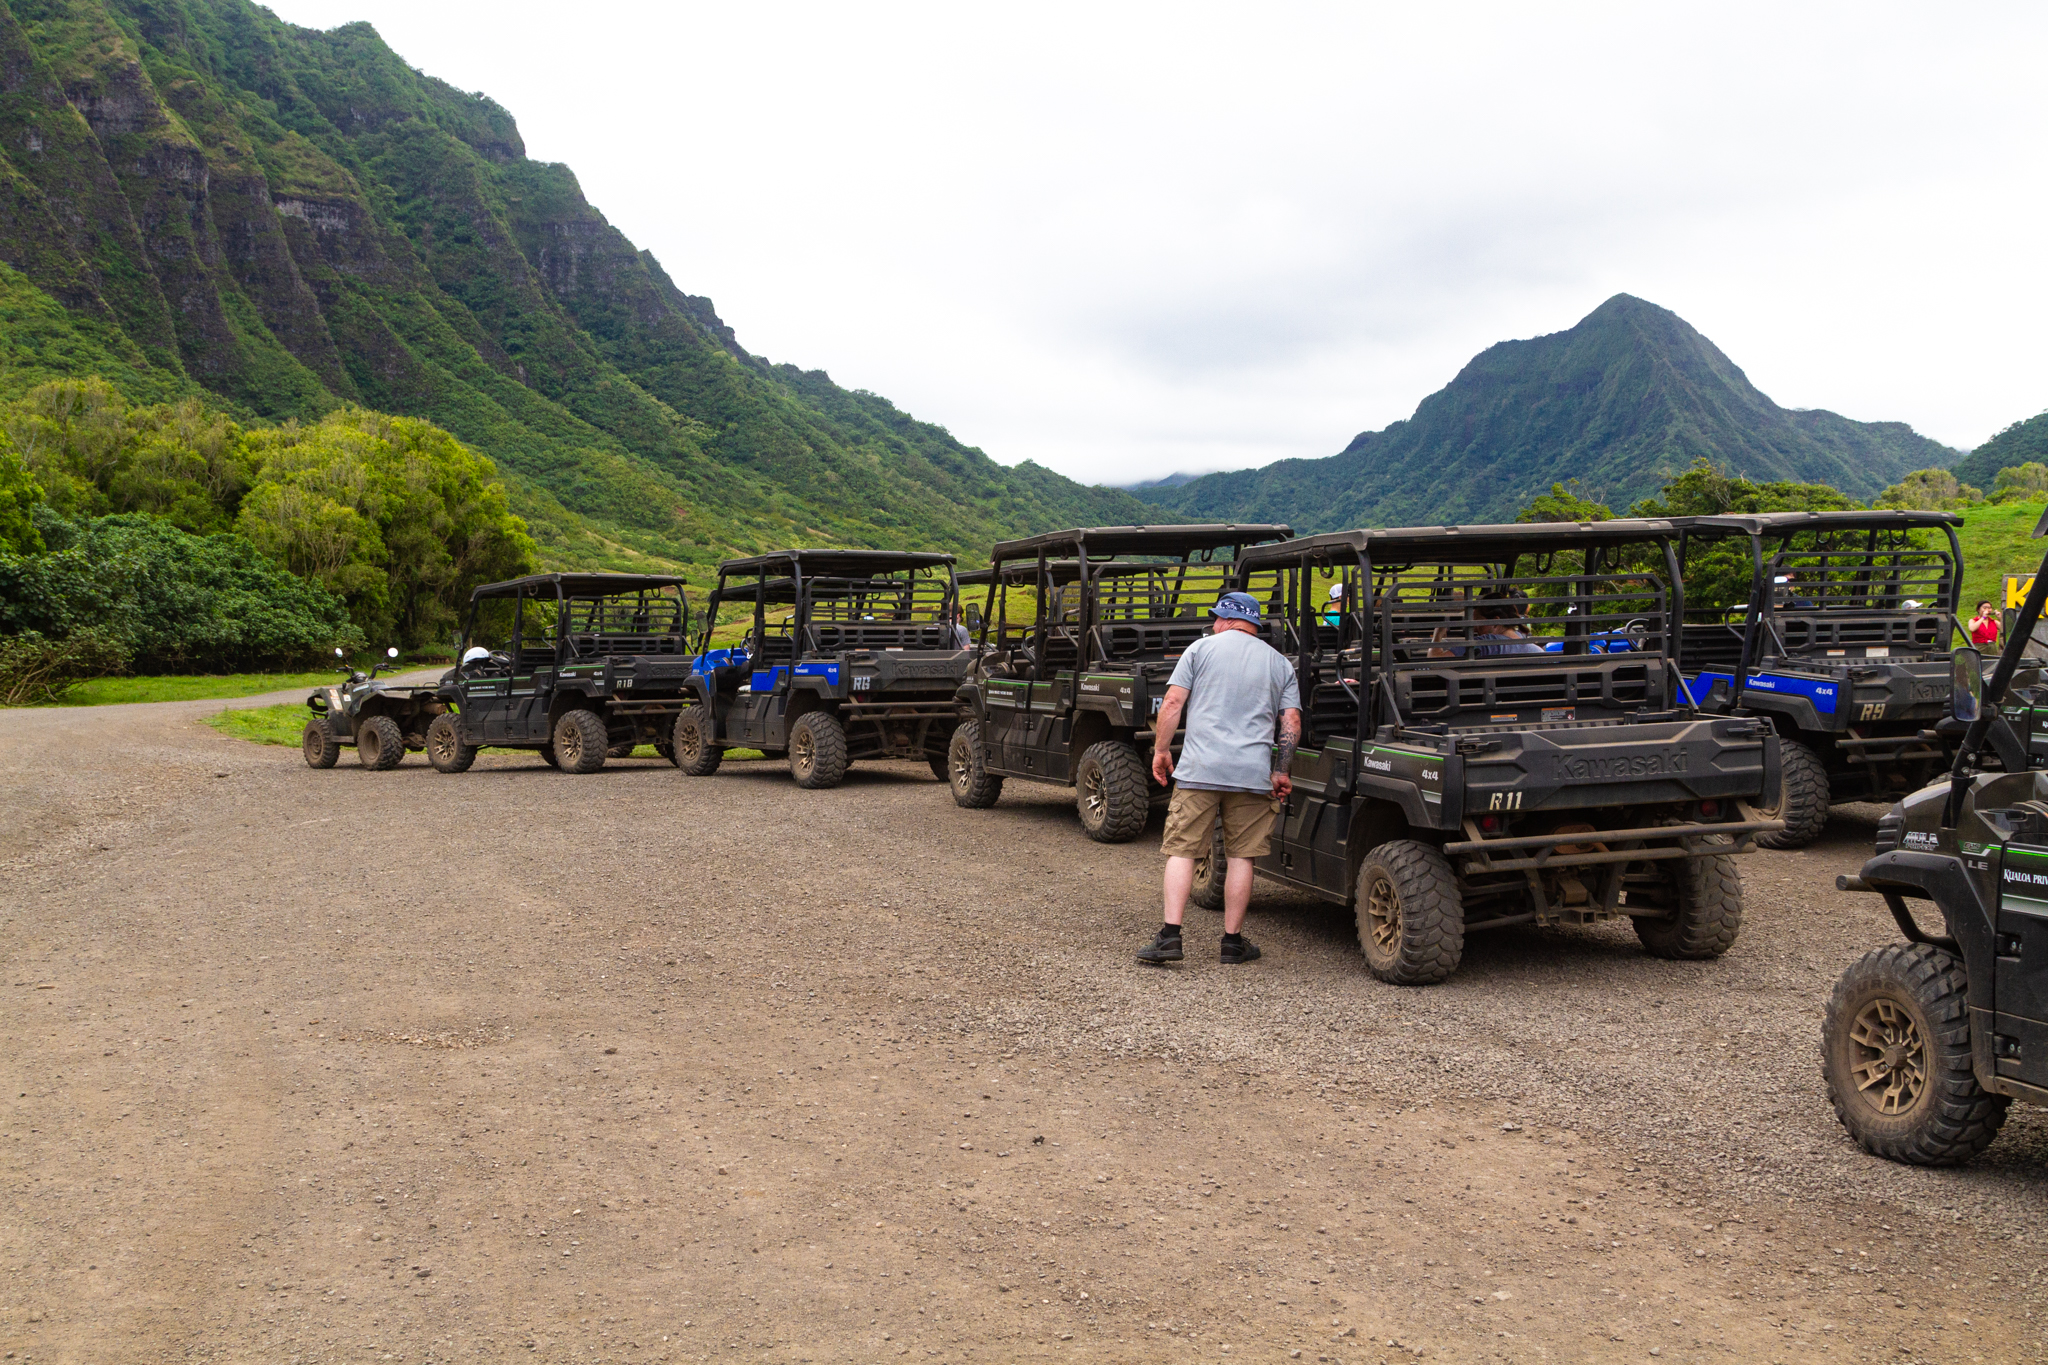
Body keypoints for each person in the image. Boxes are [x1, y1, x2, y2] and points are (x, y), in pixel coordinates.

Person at [1137, 591, 1302, 967]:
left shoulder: (1199, 649)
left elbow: (1173, 702)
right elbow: (1290, 722)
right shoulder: (1280, 664)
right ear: (1253, 623)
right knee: (1242, 856)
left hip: (1200, 770)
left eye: (1216, 617)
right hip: (1252, 774)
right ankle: (1231, 942)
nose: (1213, 624)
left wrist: (1162, 751)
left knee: (1182, 849)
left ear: (1226, 619)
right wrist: (1282, 770)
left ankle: (1170, 938)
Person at [1427, 588, 1545, 658]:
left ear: (1495, 622)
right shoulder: (1536, 652)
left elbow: (1435, 661)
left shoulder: (1486, 645)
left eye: (1478, 622)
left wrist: (1438, 634)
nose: (1475, 629)